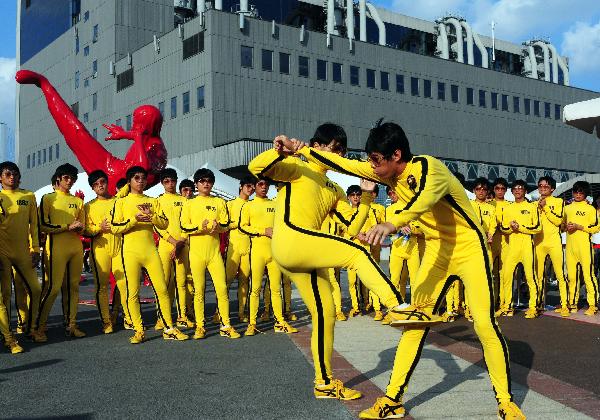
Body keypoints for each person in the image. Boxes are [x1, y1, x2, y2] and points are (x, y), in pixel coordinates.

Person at [286, 122, 523, 419]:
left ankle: (505, 401)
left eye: (376, 160)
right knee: (415, 323)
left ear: (396, 155)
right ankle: (393, 400)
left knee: (485, 324)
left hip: (469, 247)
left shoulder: (429, 168)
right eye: (371, 160)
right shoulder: (387, 172)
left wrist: (390, 223)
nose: (371, 167)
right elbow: (344, 163)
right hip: (438, 250)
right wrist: (302, 150)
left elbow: (423, 201)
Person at [248, 123, 411, 403]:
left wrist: (368, 195)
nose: (336, 154)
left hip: (303, 252)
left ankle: (323, 383)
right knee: (356, 254)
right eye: (333, 148)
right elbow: (256, 168)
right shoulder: (299, 168)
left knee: (326, 314)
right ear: (317, 145)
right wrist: (281, 150)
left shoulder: (334, 188)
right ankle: (399, 306)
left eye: (341, 151)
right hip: (292, 240)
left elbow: (353, 228)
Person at [15, 70, 167, 193]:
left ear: (147, 125)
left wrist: (135, 136)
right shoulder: (148, 140)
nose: (134, 126)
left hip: (113, 176)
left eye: (137, 122)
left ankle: (44, 84)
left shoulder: (157, 148)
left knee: (77, 133)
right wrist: (129, 135)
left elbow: (141, 170)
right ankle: (44, 85)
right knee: (76, 132)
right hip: (114, 170)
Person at [110, 166, 188, 344]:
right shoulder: (121, 202)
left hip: (150, 250)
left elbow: (164, 223)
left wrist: (152, 217)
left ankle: (169, 328)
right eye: (136, 178)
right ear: (129, 181)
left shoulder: (153, 201)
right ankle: (138, 330)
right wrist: (133, 220)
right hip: (130, 252)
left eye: (143, 178)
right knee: (133, 292)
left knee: (162, 289)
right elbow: (115, 228)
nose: (141, 181)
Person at [180, 168, 240, 339]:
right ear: (196, 184)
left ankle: (226, 325)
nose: (206, 184)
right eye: (202, 181)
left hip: (214, 254)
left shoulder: (219, 202)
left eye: (209, 181)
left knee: (221, 288)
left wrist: (218, 227)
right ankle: (200, 326)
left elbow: (225, 224)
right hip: (197, 253)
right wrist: (201, 227)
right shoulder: (189, 203)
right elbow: (184, 227)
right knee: (199, 290)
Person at [239, 179, 297, 335]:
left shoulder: (275, 204)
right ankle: (252, 323)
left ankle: (280, 322)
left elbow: (284, 225)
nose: (264, 187)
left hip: (274, 253)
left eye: (266, 185)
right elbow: (243, 227)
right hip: (257, 251)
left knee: (276, 289)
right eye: (260, 184)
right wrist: (263, 231)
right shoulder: (248, 206)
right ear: (254, 186)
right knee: (255, 288)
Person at [37, 163, 87, 338]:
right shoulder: (48, 198)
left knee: (73, 287)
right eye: (66, 177)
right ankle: (39, 326)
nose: (70, 181)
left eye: (73, 178)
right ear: (58, 178)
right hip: (55, 247)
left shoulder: (78, 201)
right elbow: (42, 225)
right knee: (53, 287)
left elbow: (83, 227)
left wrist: (80, 228)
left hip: (75, 247)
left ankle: (71, 325)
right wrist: (67, 226)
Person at [0, 162, 44, 342]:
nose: (12, 177)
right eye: (8, 174)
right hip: (2, 253)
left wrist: (35, 249)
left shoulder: (29, 196)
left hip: (23, 252)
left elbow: (34, 225)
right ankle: (7, 335)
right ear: (0, 178)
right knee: (5, 294)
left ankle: (30, 328)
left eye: (15, 174)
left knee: (35, 289)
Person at [155, 168, 194, 329]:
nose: (170, 184)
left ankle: (182, 316)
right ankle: (161, 317)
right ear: (162, 183)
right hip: (165, 246)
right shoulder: (157, 201)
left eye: (173, 181)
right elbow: (157, 226)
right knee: (164, 282)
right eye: (166, 181)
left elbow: (188, 223)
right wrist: (173, 242)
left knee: (181, 282)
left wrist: (180, 242)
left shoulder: (185, 201)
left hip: (182, 245)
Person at [499, 180, 542, 319]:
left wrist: (520, 228)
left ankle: (533, 307)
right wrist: (510, 228)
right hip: (512, 248)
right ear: (512, 192)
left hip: (527, 248)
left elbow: (538, 228)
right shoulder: (508, 207)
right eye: (515, 189)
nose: (518, 191)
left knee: (530, 277)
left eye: (520, 188)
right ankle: (506, 307)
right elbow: (503, 228)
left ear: (525, 191)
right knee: (506, 277)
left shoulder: (531, 207)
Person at [84, 170, 120, 334]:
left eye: (102, 182)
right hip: (100, 249)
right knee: (102, 286)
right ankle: (106, 321)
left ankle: (116, 312)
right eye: (96, 184)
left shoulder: (119, 202)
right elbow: (85, 230)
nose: (100, 186)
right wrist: (99, 228)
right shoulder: (88, 206)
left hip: (120, 247)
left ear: (107, 183)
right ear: (93, 188)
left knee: (124, 283)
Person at [533, 176, 569, 316]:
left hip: (554, 242)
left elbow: (558, 220)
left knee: (560, 275)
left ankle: (565, 305)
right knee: (538, 275)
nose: (542, 188)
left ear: (552, 189)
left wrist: (545, 207)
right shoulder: (534, 203)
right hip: (538, 242)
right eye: (540, 186)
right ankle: (538, 303)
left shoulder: (559, 201)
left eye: (546, 186)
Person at [564, 181, 600, 315]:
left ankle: (593, 304)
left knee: (589, 276)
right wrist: (564, 227)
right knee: (572, 277)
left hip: (585, 247)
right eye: (576, 191)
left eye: (581, 192)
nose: (578, 194)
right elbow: (561, 225)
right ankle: (572, 303)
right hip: (570, 248)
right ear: (572, 192)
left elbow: (597, 227)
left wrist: (580, 227)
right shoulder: (567, 208)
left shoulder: (590, 209)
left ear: (585, 194)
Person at [224, 176, 255, 323]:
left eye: (253, 186)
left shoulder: (253, 205)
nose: (251, 189)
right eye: (248, 186)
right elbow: (224, 225)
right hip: (234, 247)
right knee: (227, 280)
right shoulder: (230, 204)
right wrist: (238, 224)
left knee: (245, 280)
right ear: (241, 186)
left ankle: (242, 312)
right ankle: (220, 312)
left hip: (248, 247)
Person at [491, 178, 510, 309]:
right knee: (491, 274)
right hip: (491, 242)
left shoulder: (510, 205)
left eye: (502, 189)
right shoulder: (489, 204)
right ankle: (491, 302)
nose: (500, 191)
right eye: (497, 188)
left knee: (504, 274)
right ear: (493, 190)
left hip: (506, 242)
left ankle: (504, 303)